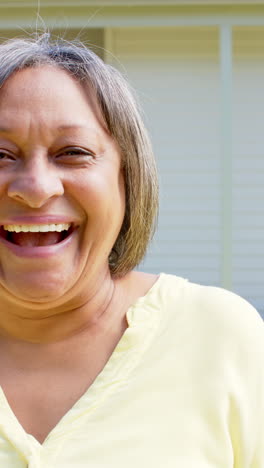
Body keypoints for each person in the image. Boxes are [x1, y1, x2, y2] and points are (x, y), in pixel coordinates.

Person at [0, 33, 262, 468]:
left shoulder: (222, 339)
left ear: (128, 180)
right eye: (0, 154)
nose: (36, 188)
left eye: (73, 153)